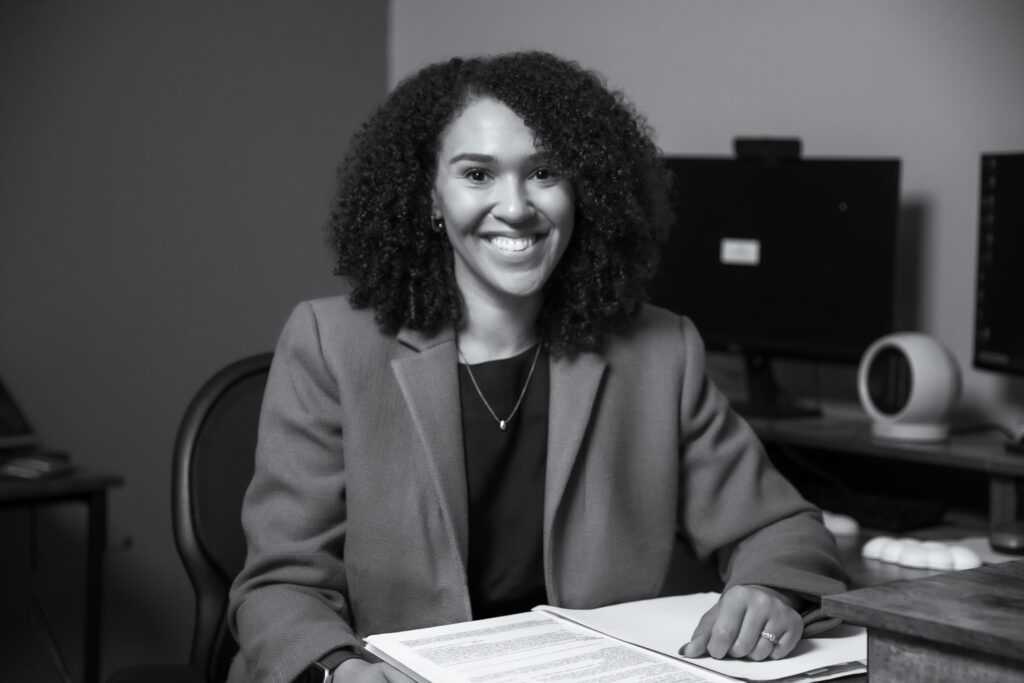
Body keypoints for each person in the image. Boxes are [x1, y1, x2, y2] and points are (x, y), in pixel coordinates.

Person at [227, 51, 846, 683]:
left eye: (544, 171)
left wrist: (770, 591)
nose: (516, 206)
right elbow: (281, 586)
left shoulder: (662, 351)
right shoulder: (331, 344)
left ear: (585, 190)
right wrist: (340, 670)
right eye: (477, 174)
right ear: (430, 197)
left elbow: (781, 527)